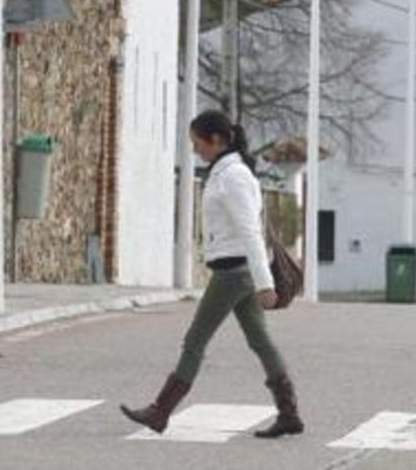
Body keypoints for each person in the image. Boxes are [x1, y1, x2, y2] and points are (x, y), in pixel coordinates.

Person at [120, 109, 304, 439]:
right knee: (260, 341)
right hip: (238, 270)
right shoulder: (224, 173)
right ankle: (289, 414)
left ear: (216, 140)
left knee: (195, 339)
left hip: (235, 273)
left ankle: (160, 411)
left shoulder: (233, 177)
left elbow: (250, 230)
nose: (195, 150)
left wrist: (265, 283)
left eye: (197, 143)